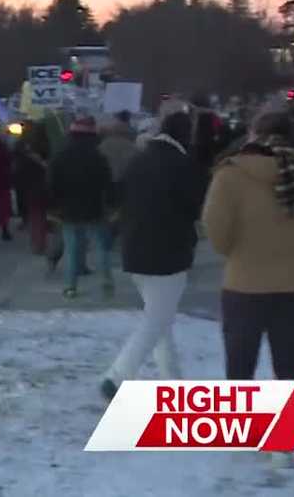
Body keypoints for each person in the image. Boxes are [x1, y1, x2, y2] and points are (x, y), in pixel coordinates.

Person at [202, 112, 294, 380]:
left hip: (243, 284)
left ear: (254, 135)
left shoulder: (230, 175)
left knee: (239, 371)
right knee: (290, 371)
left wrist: (235, 252)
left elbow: (215, 229)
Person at [100, 112, 204, 400]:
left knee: (160, 318)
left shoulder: (139, 159)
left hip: (134, 248)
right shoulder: (182, 164)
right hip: (169, 252)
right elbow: (195, 207)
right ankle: (116, 377)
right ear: (186, 134)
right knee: (157, 320)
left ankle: (172, 379)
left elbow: (116, 196)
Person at [48, 116, 115, 299]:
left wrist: (54, 206)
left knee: (71, 248)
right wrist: (111, 205)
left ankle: (71, 287)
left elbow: (52, 184)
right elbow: (107, 183)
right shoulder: (98, 157)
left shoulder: (60, 156)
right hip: (94, 208)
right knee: (101, 246)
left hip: (68, 209)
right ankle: (106, 281)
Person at [12, 121, 50, 254]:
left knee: (35, 216)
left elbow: (16, 167)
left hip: (27, 186)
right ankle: (40, 243)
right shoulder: (45, 144)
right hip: (42, 184)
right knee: (41, 215)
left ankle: (37, 243)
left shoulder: (20, 146)